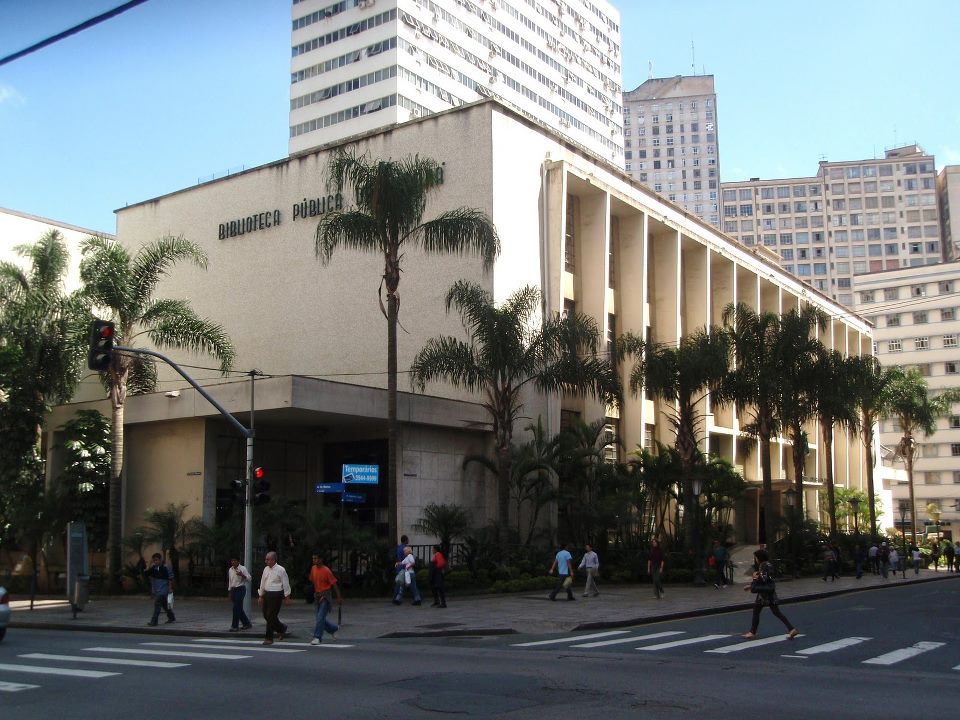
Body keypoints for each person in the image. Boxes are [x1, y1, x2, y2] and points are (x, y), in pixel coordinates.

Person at [742, 548, 798, 640]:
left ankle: (752, 632)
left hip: (764, 595)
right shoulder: (769, 564)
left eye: (756, 557)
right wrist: (750, 586)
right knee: (776, 612)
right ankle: (791, 629)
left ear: (759, 557)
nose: (755, 559)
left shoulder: (762, 565)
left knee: (756, 611)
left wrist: (755, 578)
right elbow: (767, 579)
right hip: (770, 593)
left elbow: (764, 579)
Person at [257, 551, 291, 645]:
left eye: (268, 559)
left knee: (271, 615)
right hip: (267, 593)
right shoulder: (266, 569)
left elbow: (286, 583)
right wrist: (261, 595)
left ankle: (269, 638)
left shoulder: (281, 570)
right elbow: (262, 582)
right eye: (266, 559)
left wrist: (287, 596)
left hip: (276, 594)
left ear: (273, 560)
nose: (266, 561)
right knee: (266, 615)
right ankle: (281, 628)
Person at [308, 553, 342, 645]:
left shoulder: (326, 570)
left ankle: (317, 637)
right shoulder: (313, 569)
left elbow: (334, 584)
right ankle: (333, 628)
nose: (314, 560)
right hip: (317, 595)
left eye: (315, 558)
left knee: (320, 617)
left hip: (325, 596)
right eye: (313, 558)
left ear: (321, 559)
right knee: (319, 618)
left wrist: (338, 597)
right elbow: (312, 580)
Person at [144, 552, 175, 626]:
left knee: (157, 605)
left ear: (160, 560)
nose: (155, 562)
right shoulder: (154, 568)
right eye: (154, 560)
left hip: (164, 590)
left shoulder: (166, 567)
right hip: (158, 590)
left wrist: (170, 588)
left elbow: (170, 578)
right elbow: (146, 573)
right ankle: (171, 617)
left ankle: (154, 621)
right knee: (165, 605)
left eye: (157, 560)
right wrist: (149, 564)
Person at [227, 556, 252, 631]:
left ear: (238, 561)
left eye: (234, 561)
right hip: (234, 589)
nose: (233, 562)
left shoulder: (243, 568)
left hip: (240, 589)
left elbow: (249, 578)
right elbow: (230, 581)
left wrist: (242, 575)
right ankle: (247, 623)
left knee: (236, 607)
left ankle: (234, 626)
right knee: (239, 608)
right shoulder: (230, 569)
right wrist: (230, 591)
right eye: (232, 561)